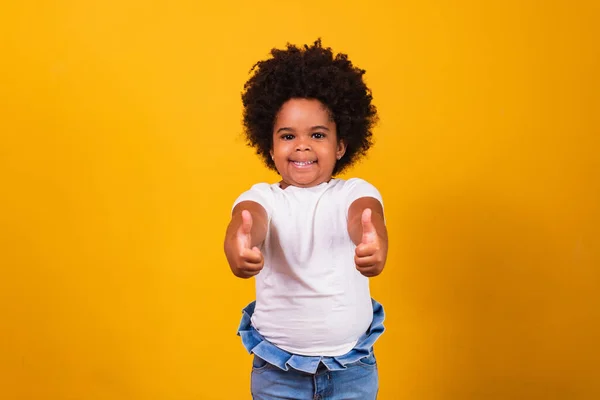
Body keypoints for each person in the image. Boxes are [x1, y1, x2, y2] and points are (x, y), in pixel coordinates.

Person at [224, 39, 388, 400]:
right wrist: (241, 246)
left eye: (317, 135)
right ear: (269, 146)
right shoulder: (262, 197)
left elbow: (364, 215)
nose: (302, 145)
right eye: (288, 136)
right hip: (278, 373)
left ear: (341, 145)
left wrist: (372, 240)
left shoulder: (352, 192)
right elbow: (248, 220)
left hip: (352, 371)